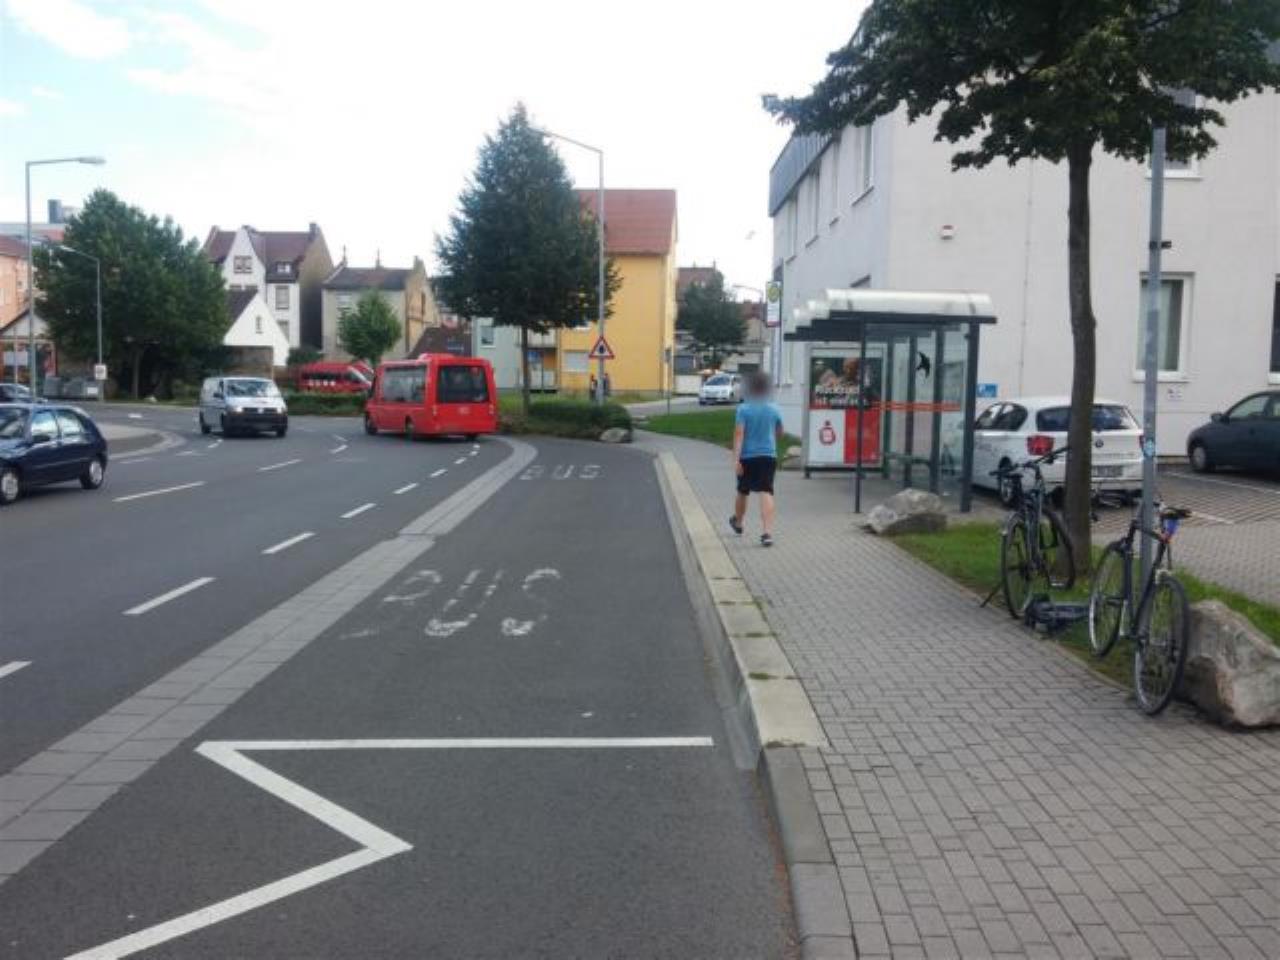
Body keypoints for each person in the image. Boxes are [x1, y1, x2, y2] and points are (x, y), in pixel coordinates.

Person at [730, 371, 784, 547]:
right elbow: (780, 433)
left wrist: (736, 460)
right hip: (768, 456)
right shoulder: (774, 408)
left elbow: (739, 435)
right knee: (766, 491)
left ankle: (738, 523)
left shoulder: (743, 409)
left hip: (747, 457)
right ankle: (767, 533)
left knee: (743, 491)